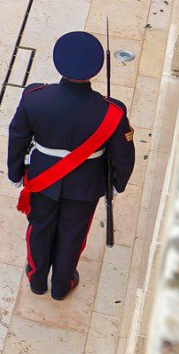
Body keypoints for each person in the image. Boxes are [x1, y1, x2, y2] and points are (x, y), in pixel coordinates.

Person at [8, 31, 135, 299]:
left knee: (39, 228)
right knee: (73, 234)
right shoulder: (112, 111)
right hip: (86, 185)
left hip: (43, 177)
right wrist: (116, 185)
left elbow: (18, 136)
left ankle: (37, 279)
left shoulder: (35, 97)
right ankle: (61, 285)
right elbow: (123, 155)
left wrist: (15, 172)